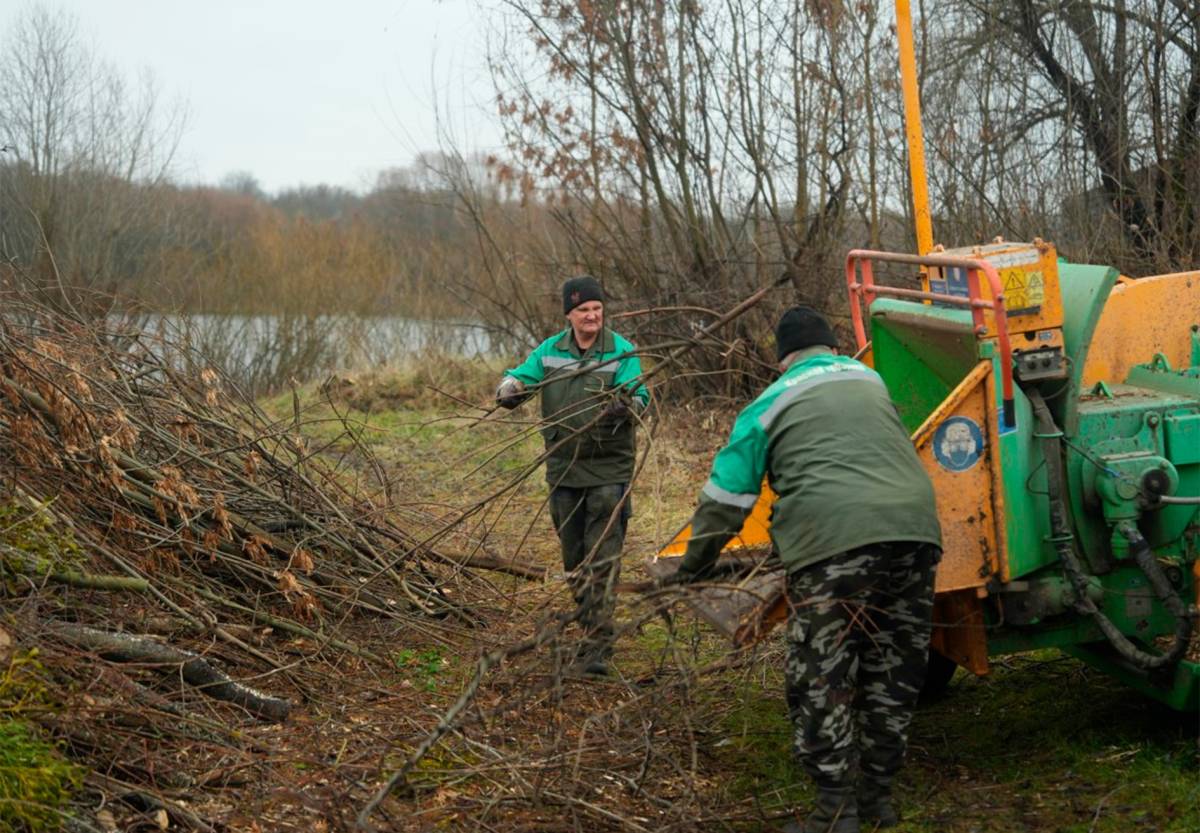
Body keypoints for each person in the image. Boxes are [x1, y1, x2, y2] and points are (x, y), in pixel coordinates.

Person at [667, 306, 942, 833]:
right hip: (916, 528)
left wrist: (693, 566)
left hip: (832, 540)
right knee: (894, 664)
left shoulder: (769, 402)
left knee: (822, 671)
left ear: (783, 360)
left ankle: (835, 809)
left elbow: (726, 501)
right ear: (833, 348)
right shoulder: (870, 379)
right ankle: (879, 799)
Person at [495, 275, 649, 676]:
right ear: (569, 314)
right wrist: (509, 389)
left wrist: (627, 404)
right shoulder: (550, 351)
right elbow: (519, 379)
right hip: (564, 469)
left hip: (608, 470)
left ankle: (598, 645)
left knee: (603, 556)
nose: (592, 316)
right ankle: (588, 621)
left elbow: (642, 396)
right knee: (574, 558)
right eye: (584, 311)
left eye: (597, 309)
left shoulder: (622, 350)